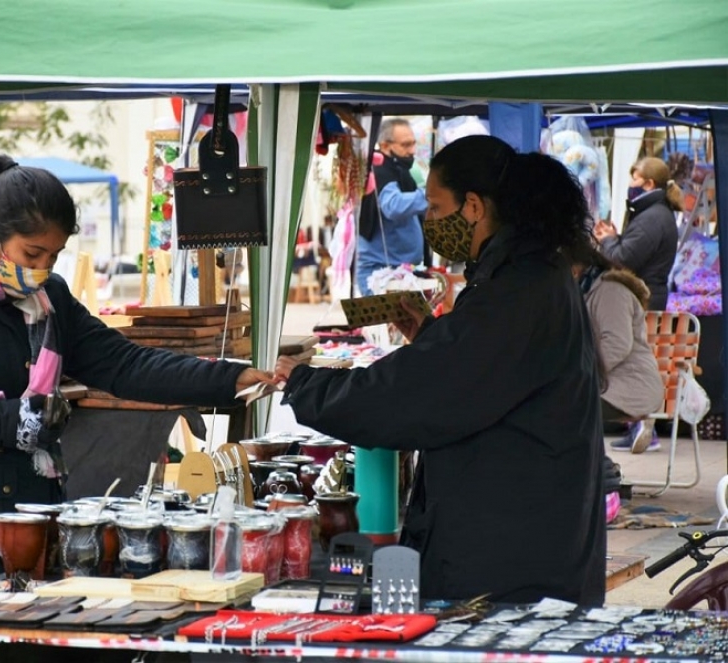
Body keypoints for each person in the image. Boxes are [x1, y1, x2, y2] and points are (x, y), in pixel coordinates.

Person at [0, 155, 272, 589]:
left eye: (53, 256)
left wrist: (228, 379)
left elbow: (124, 364)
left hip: (33, 537)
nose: (42, 270)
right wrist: (8, 421)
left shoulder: (50, 300)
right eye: (32, 253)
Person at [275, 135, 606, 606]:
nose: (428, 220)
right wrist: (430, 333)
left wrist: (304, 381)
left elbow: (416, 393)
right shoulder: (525, 273)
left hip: (512, 555)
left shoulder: (518, 289)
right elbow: (474, 371)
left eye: (434, 206)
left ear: (473, 206)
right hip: (524, 533)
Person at [571, 242, 665, 454]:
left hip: (630, 387)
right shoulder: (591, 290)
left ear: (575, 268)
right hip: (613, 385)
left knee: (564, 406)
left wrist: (579, 373)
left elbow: (617, 343)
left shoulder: (610, 292)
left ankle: (595, 472)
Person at [593, 156, 683, 310]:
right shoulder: (655, 213)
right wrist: (615, 238)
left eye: (634, 179)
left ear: (649, 184)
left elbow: (623, 261)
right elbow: (636, 250)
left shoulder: (651, 218)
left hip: (643, 301)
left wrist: (608, 240)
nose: (630, 184)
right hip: (646, 298)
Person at [356, 118, 429, 295]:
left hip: (399, 271)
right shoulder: (379, 171)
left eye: (413, 144)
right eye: (405, 145)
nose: (412, 151)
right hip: (380, 273)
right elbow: (393, 206)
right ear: (385, 146)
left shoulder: (401, 172)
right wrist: (431, 196)